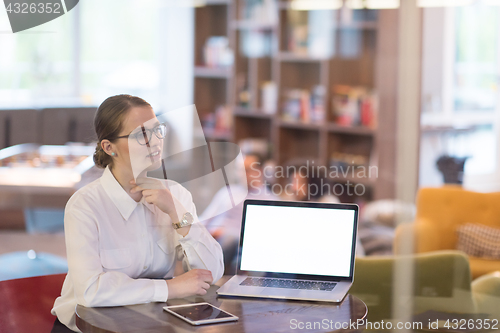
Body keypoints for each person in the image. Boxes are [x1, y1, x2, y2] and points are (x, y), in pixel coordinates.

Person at [51, 95, 224, 332]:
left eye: (157, 131)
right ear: (108, 147)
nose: (155, 142)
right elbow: (91, 291)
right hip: (87, 327)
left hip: (147, 323)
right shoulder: (84, 206)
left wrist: (175, 212)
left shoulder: (175, 195)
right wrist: (171, 287)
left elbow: (211, 274)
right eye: (141, 135)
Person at [200, 153, 279, 274]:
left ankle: (207, 272)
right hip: (211, 237)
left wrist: (224, 233)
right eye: (240, 170)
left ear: (261, 171)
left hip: (235, 242)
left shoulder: (270, 200)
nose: (242, 174)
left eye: (247, 170)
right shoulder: (227, 192)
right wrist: (204, 233)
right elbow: (205, 219)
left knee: (230, 239)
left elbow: (261, 235)